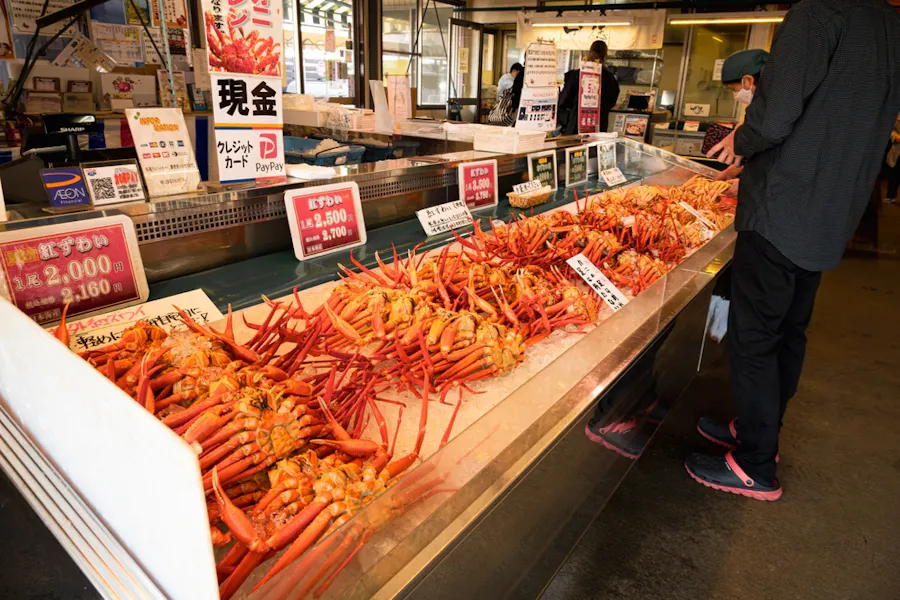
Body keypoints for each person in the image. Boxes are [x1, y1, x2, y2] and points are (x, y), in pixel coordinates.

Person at [693, 0, 900, 502]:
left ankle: (754, 465)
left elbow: (776, 112)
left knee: (755, 335)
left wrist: (744, 138)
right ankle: (758, 432)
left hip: (785, 206)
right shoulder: (890, 23)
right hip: (833, 209)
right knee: (789, 329)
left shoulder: (820, 13)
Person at [711, 49, 769, 196]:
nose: (735, 96)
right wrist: (738, 169)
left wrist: (749, 182)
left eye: (733, 89)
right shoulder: (762, 108)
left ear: (748, 80)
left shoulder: (776, 113)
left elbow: (780, 160)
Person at [557, 40, 620, 135]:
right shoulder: (610, 78)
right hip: (599, 125)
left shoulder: (576, 74)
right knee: (594, 148)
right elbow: (612, 101)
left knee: (573, 149)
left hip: (576, 124)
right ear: (605, 55)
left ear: (590, 51)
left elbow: (564, 100)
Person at [885, 113, 900, 203]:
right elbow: (891, 129)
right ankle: (891, 195)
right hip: (898, 150)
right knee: (894, 174)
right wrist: (896, 136)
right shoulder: (897, 115)